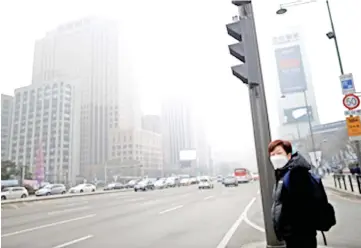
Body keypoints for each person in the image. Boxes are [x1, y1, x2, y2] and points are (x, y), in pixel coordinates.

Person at [269, 139, 318, 248]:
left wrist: (288, 228)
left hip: (300, 234)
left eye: (279, 153)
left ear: (289, 155)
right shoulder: (283, 173)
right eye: (272, 154)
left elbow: (303, 206)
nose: (275, 157)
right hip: (292, 234)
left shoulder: (297, 173)